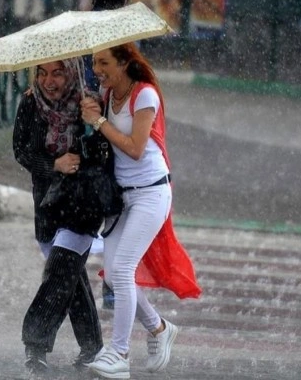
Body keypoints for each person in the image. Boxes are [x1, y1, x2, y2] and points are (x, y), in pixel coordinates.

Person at [79, 43, 201, 379]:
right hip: (122, 199)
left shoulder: (144, 94)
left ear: (124, 63)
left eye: (103, 63)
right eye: (94, 63)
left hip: (151, 194)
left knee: (122, 271)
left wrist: (100, 120)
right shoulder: (108, 96)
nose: (97, 69)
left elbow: (134, 148)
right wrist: (93, 114)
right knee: (115, 274)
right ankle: (159, 328)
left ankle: (118, 354)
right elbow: (105, 139)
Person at [13, 58, 105, 375]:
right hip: (47, 206)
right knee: (71, 278)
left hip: (82, 204)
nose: (49, 81)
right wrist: (55, 164)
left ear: (73, 71)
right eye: (42, 73)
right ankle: (93, 348)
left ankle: (35, 345)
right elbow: (22, 151)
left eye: (57, 72)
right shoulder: (29, 103)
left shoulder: (90, 102)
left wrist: (90, 131)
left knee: (60, 273)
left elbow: (104, 152)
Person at [83, 0, 132, 92]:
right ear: (124, 0)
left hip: (86, 93)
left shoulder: (83, 25)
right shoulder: (128, 29)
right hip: (114, 93)